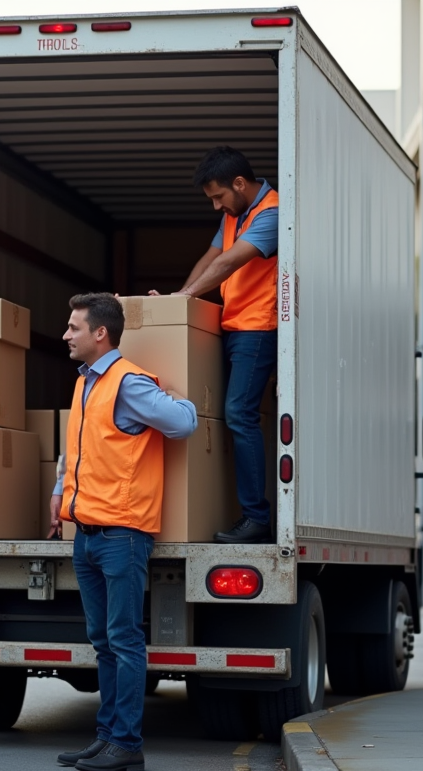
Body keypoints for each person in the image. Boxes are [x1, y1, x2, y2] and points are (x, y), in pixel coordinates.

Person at [49, 293, 197, 771]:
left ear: (100, 334)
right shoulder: (86, 383)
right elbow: (80, 450)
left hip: (122, 533)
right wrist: (59, 491)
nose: (66, 335)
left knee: (124, 639)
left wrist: (188, 399)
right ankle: (108, 736)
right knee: (104, 641)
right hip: (87, 533)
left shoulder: (127, 382)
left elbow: (183, 422)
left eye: (74, 327)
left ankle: (127, 742)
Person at [154, 146, 279, 544]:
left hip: (258, 328)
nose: (215, 206)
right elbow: (211, 258)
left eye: (218, 196)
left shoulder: (272, 213)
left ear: (239, 184)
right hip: (232, 325)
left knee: (239, 413)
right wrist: (182, 299)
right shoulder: (233, 216)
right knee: (228, 415)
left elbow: (229, 263)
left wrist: (183, 298)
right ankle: (246, 512)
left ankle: (258, 519)